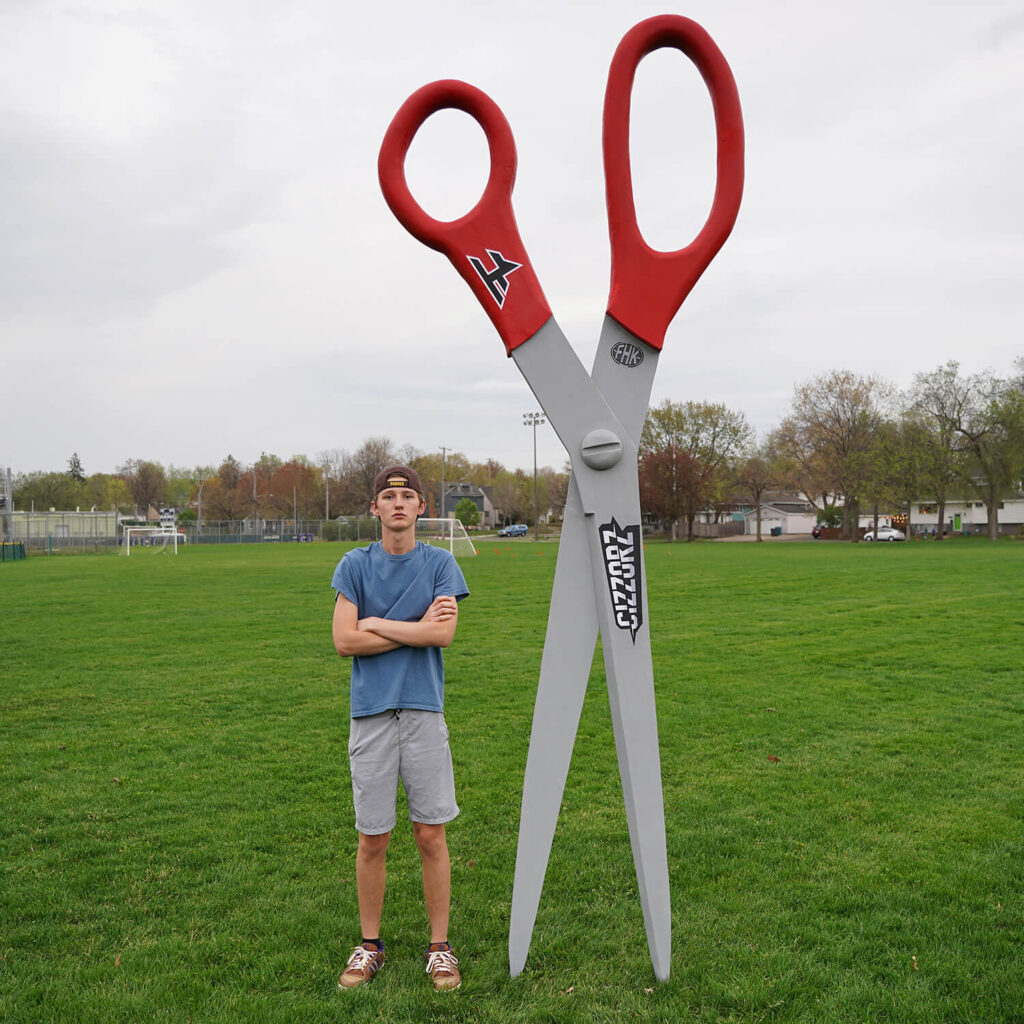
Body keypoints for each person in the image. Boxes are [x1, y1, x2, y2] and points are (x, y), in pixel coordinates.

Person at [331, 466, 469, 992]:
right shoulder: (353, 565)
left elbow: (445, 634)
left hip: (422, 711)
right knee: (373, 838)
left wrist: (377, 623)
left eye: (407, 496)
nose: (397, 504)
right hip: (370, 713)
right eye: (388, 496)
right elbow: (344, 642)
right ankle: (370, 946)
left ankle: (439, 948)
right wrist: (415, 631)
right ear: (375, 508)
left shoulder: (440, 563)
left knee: (430, 834)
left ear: (420, 507)